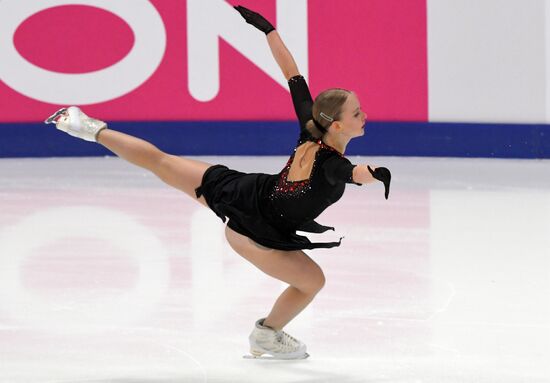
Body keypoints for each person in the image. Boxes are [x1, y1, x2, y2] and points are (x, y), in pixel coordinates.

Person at [44, 5, 391, 360]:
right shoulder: (334, 163)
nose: (365, 116)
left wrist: (269, 30)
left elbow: (292, 73)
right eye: (357, 113)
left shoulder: (310, 126)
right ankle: (267, 335)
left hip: (243, 191)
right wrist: (375, 174)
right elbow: (351, 173)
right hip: (256, 231)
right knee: (313, 282)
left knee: (162, 162)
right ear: (336, 125)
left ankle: (87, 128)